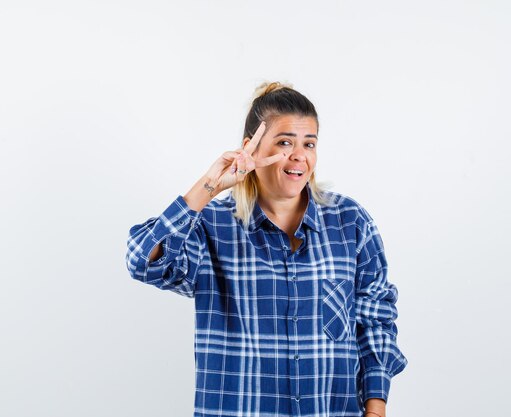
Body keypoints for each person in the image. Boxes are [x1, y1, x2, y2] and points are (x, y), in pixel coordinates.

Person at [125, 81, 408, 417]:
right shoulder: (210, 227)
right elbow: (143, 262)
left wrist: (376, 407)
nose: (299, 156)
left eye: (309, 143)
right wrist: (209, 186)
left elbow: (375, 318)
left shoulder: (350, 222)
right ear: (252, 148)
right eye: (285, 142)